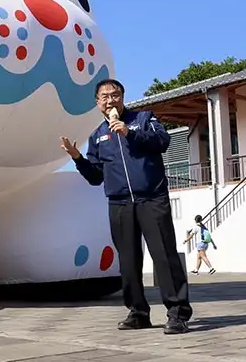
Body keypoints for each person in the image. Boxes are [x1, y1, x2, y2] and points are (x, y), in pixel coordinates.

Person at [60, 78, 192, 335]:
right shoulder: (97, 136)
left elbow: (162, 142)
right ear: (97, 103)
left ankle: (177, 313)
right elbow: (95, 177)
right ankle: (138, 312)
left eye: (115, 95)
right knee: (128, 261)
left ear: (122, 96)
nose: (111, 100)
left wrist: (129, 132)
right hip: (119, 203)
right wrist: (77, 158)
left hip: (151, 198)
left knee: (164, 256)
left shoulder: (143, 119)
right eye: (105, 97)